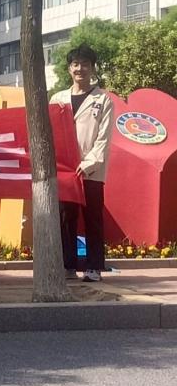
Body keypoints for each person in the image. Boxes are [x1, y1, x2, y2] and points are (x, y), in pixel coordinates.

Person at [50, 45, 114, 282]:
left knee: (93, 218)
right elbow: (51, 132)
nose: (80, 68)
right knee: (66, 218)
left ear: (92, 68)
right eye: (75, 64)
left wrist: (90, 162)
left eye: (85, 64)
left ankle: (94, 266)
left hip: (91, 171)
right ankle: (67, 265)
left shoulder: (103, 99)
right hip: (65, 171)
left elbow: (104, 138)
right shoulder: (58, 98)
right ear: (69, 69)